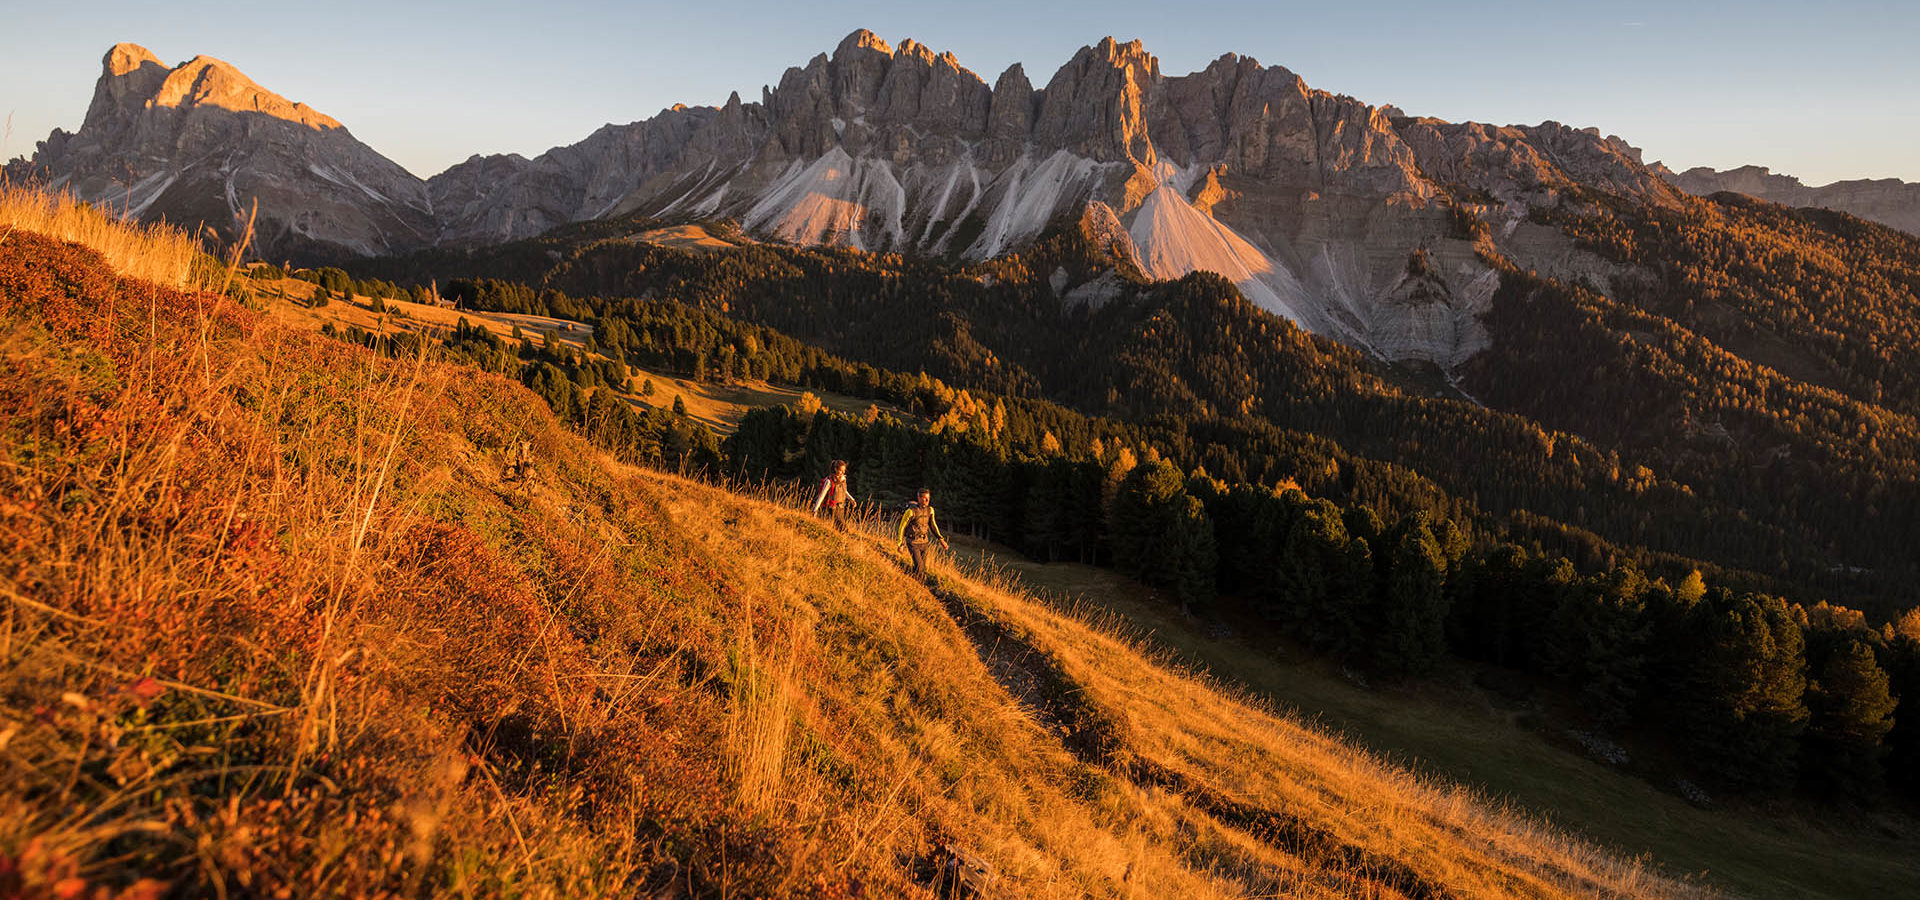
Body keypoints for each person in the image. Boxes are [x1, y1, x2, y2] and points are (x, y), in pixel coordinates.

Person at [895, 488, 949, 576]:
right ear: (919, 498)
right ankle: (912, 581)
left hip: (924, 542)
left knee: (922, 568)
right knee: (919, 567)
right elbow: (902, 527)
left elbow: (933, 526)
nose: (927, 500)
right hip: (912, 542)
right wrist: (900, 544)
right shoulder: (911, 512)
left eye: (928, 498)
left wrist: (941, 539)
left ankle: (915, 580)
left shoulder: (930, 510)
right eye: (925, 498)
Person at [811, 459, 853, 531]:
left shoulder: (843, 479)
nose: (843, 472)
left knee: (838, 527)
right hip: (833, 507)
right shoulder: (829, 481)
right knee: (843, 527)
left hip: (841, 506)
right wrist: (815, 509)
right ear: (835, 469)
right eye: (841, 470)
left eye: (844, 470)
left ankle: (836, 539)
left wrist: (851, 499)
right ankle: (845, 537)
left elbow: (844, 491)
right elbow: (822, 495)